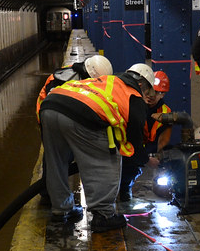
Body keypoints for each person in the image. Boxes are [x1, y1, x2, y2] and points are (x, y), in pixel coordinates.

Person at [39, 63, 155, 232]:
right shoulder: (133, 96)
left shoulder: (109, 81)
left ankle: (61, 209)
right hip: (80, 113)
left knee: (56, 162)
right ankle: (104, 215)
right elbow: (134, 141)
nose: (147, 97)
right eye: (148, 92)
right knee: (104, 158)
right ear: (142, 84)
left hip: (50, 105)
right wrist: (145, 160)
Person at [119, 70, 171, 201]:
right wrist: (145, 159)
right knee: (128, 168)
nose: (152, 95)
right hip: (130, 147)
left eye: (157, 92)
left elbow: (163, 141)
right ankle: (123, 190)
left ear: (163, 94)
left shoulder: (166, 112)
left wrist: (162, 162)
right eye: (150, 90)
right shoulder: (133, 105)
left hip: (148, 148)